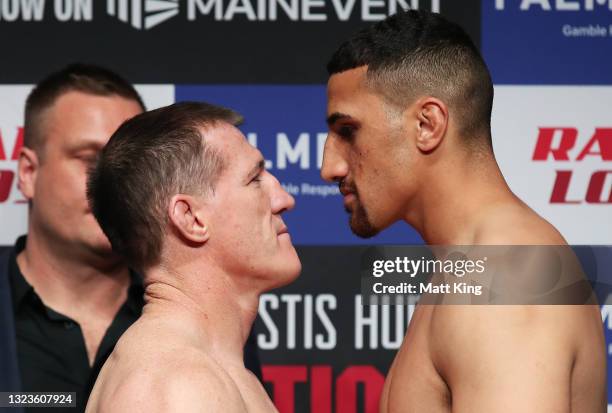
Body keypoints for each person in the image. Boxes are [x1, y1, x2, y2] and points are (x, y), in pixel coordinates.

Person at [321, 10, 605, 412]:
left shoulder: (508, 275)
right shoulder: (473, 267)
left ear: (427, 124)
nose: (328, 166)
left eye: (348, 131)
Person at [0, 65, 262, 412]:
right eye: (90, 159)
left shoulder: (204, 314)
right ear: (29, 173)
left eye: (128, 168)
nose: (110, 184)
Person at [84, 102, 301, 413]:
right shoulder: (175, 387)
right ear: (191, 219)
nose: (284, 200)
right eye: (254, 180)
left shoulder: (216, 372)